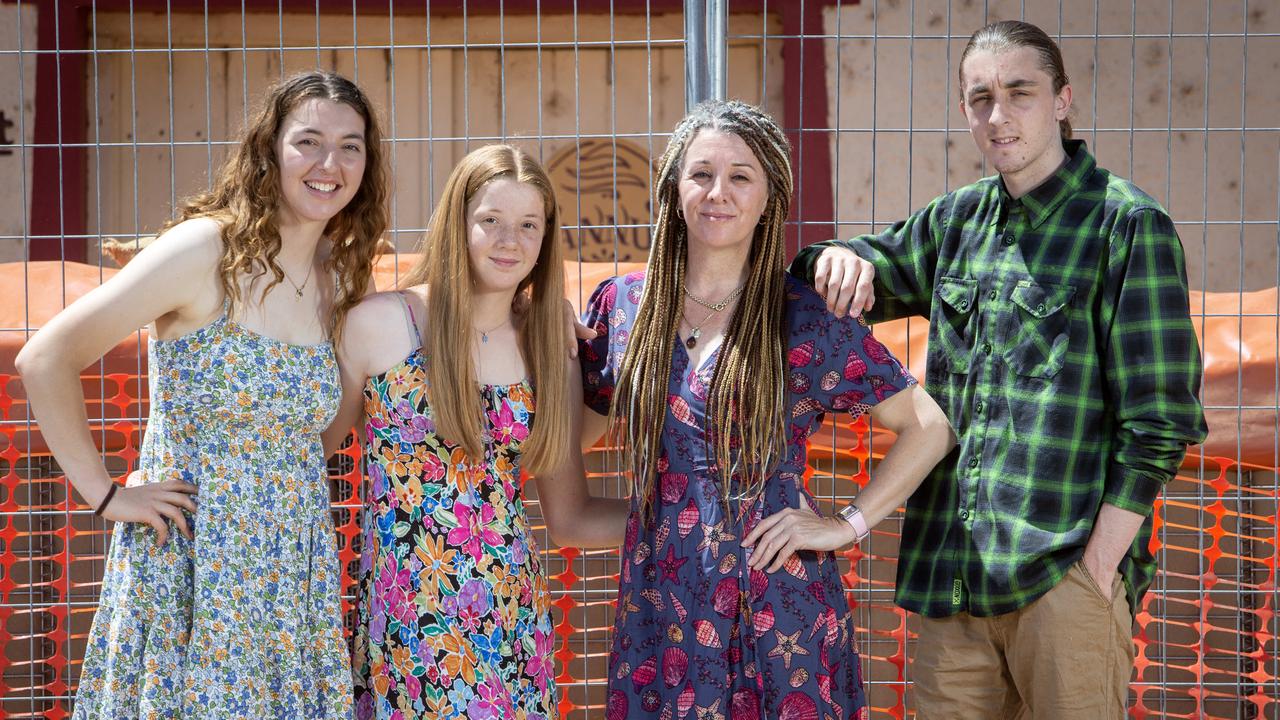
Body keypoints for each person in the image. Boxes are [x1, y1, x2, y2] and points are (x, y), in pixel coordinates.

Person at [789, 20, 1209, 719]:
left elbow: (1162, 420)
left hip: (1064, 577)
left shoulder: (1126, 226)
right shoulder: (954, 223)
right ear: (966, 111)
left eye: (1020, 92)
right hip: (950, 581)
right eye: (980, 97)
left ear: (1062, 100)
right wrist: (833, 256)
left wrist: (1097, 568)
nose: (999, 114)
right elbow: (849, 274)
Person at [16, 70, 388, 718]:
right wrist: (106, 496)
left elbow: (315, 436)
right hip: (191, 561)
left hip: (290, 572)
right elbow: (45, 357)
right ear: (270, 148)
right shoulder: (204, 250)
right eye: (309, 141)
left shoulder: (337, 276)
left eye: (350, 146)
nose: (330, 163)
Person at [577, 100, 955, 719]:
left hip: (779, 609)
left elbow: (927, 427)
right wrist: (537, 338)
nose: (717, 192)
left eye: (740, 176)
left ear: (767, 199)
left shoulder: (803, 318)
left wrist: (846, 525)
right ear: (675, 190)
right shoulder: (622, 309)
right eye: (700, 174)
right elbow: (571, 437)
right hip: (658, 605)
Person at [325, 143, 628, 720]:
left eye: (527, 225)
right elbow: (309, 457)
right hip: (406, 618)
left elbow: (568, 517)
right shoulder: (381, 324)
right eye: (490, 221)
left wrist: (695, 517)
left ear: (545, 239)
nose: (509, 240)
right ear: (456, 222)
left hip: (508, 621)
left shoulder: (548, 348)